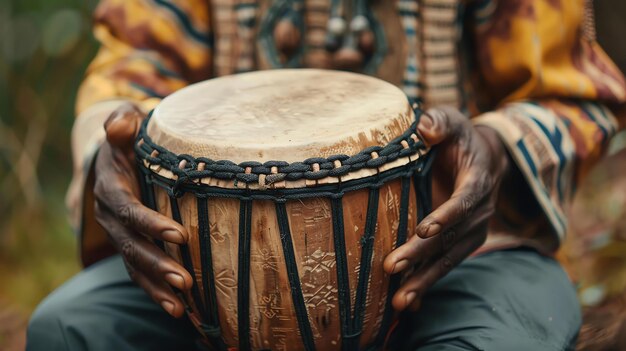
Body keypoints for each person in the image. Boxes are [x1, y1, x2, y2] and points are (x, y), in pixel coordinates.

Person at [26, 0, 626, 350]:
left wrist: (493, 148)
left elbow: (575, 96)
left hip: (466, 261)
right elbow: (129, 77)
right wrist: (111, 150)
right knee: (68, 329)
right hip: (211, 276)